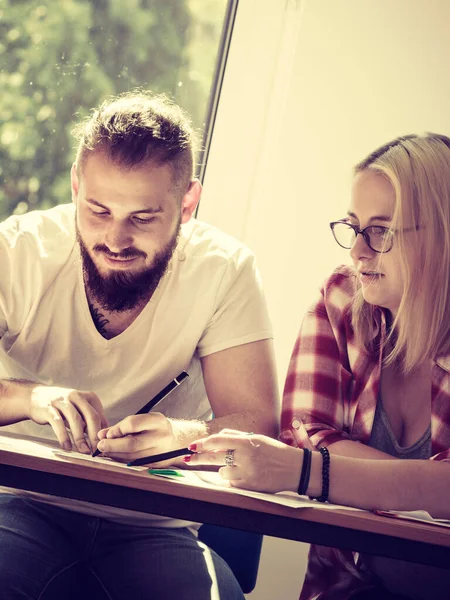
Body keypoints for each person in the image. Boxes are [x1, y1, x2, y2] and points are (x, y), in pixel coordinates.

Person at [0, 90, 279, 599]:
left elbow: (258, 423)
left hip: (157, 522)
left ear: (188, 203)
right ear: (75, 185)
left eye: (143, 218)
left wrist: (183, 436)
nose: (115, 238)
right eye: (98, 210)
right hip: (19, 502)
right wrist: (30, 398)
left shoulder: (225, 270)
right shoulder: (18, 249)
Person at [187, 134, 450, 600]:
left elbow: (305, 456)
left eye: (383, 231)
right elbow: (304, 432)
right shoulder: (342, 298)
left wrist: (308, 472)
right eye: (354, 227)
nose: (358, 252)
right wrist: (418, 486)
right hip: (349, 588)